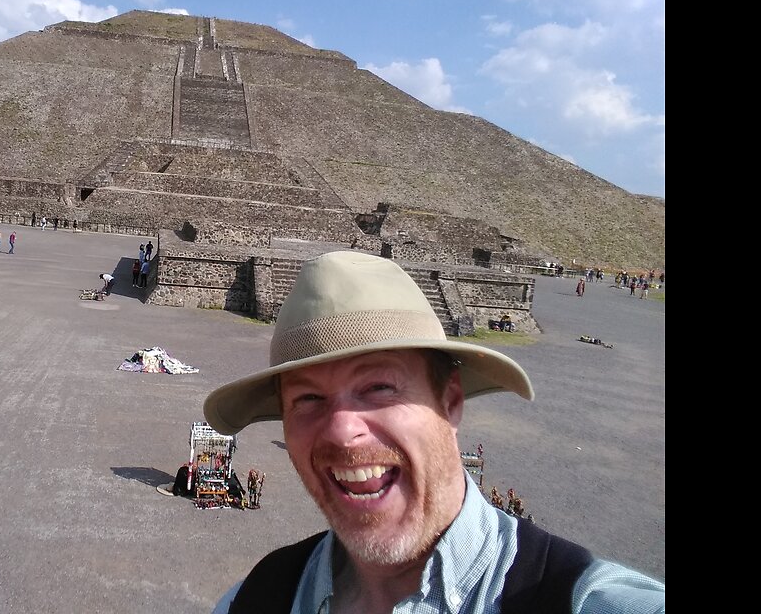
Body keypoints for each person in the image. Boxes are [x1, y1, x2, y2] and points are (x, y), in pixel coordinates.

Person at [203, 251, 664, 614]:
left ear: (451, 401)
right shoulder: (251, 601)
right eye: (307, 399)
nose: (343, 432)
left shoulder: (575, 600)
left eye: (379, 386)